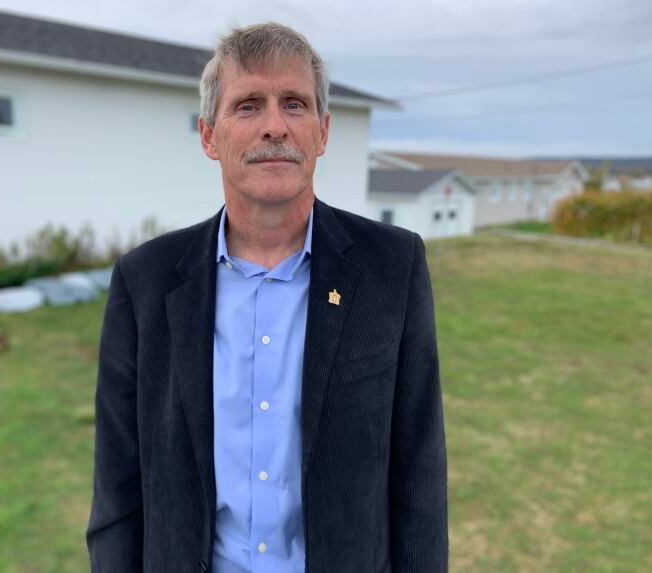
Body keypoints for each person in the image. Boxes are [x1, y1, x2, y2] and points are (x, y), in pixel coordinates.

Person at [86, 22, 448, 572]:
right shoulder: (146, 281)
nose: (274, 126)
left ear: (323, 132)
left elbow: (419, 476)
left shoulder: (391, 269)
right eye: (249, 105)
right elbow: (118, 487)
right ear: (210, 135)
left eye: (295, 104)